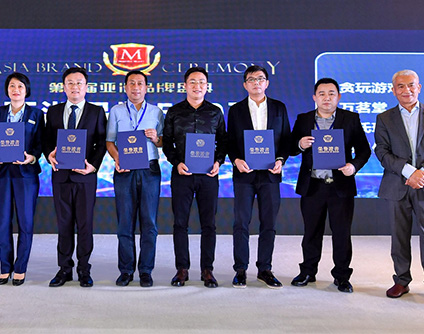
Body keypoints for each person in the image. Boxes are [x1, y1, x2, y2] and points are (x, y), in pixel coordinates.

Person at [374, 70, 424, 306]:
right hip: (397, 185)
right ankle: (401, 280)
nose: (406, 90)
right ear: (393, 90)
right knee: (399, 236)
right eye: (400, 86)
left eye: (411, 85)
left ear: (419, 87)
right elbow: (382, 152)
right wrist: (409, 172)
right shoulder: (384, 118)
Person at [290, 77, 371, 293]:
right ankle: (308, 271)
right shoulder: (304, 119)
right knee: (311, 232)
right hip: (313, 186)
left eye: (331, 93)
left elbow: (364, 150)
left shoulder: (350, 119)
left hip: (340, 186)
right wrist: (300, 144)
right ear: (314, 97)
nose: (327, 98)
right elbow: (290, 147)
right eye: (322, 94)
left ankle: (342, 276)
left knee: (342, 233)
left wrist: (353, 166)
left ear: (339, 97)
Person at [227, 65, 291, 289]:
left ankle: (265, 268)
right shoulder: (236, 110)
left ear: (267, 83)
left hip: (270, 174)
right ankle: (240, 269)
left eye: (260, 79)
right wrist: (236, 160)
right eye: (251, 79)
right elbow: (229, 141)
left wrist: (281, 160)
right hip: (244, 174)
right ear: (245, 85)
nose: (256, 83)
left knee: (269, 223)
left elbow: (286, 139)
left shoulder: (279, 108)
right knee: (241, 223)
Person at [163, 66, 227, 288]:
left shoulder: (215, 112)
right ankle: (182, 269)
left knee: (209, 224)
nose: (197, 86)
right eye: (192, 82)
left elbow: (223, 141)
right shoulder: (174, 112)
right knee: (180, 223)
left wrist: (218, 162)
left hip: (208, 175)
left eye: (201, 82)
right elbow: (167, 143)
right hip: (182, 173)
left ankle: (207, 270)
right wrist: (176, 162)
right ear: (185, 85)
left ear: (207, 86)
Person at [43, 67, 107, 288]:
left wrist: (93, 166)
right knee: (64, 224)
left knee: (85, 224)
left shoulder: (97, 111)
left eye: (79, 83)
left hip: (85, 177)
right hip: (61, 176)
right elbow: (46, 140)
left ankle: (84, 269)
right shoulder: (53, 111)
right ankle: (64, 269)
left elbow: (101, 143)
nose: (75, 87)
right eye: (70, 83)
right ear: (63, 87)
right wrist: (49, 154)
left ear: (86, 87)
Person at [106, 70, 164, 288]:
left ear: (146, 88)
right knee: (125, 222)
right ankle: (126, 270)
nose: (136, 87)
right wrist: (117, 158)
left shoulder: (156, 112)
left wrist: (156, 138)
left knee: (149, 223)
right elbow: (110, 141)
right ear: (125, 87)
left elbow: (163, 142)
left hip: (149, 170)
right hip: (124, 170)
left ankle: (146, 270)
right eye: (132, 83)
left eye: (140, 83)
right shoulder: (116, 111)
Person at [0, 72, 44, 286]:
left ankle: (20, 268)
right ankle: (5, 268)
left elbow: (39, 143)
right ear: (7, 89)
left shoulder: (36, 114)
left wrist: (32, 157)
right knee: (2, 222)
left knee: (25, 222)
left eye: (20, 86)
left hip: (26, 174)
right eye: (12, 86)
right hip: (1, 173)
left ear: (26, 90)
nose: (16, 90)